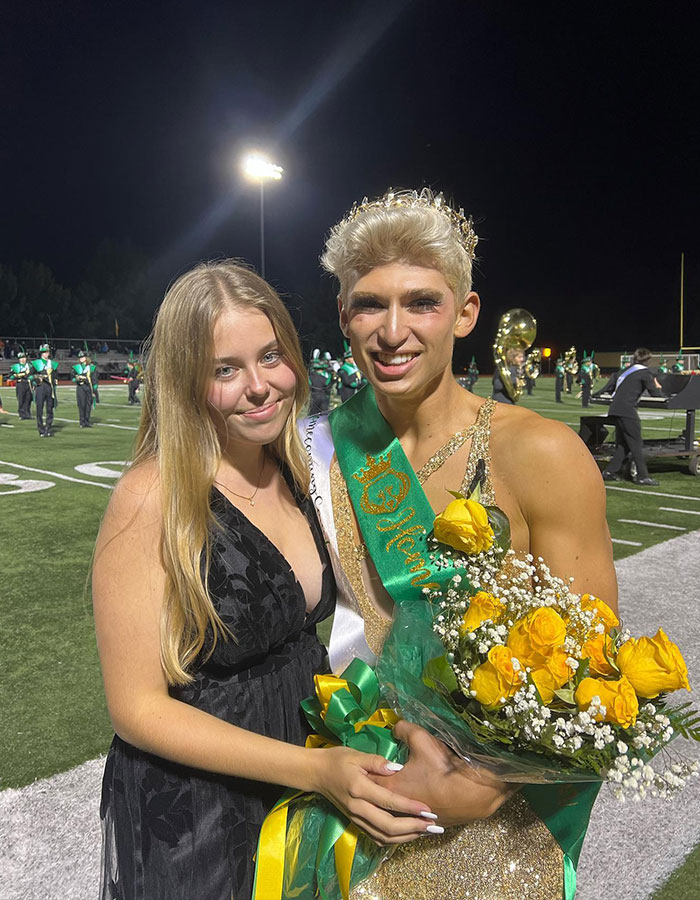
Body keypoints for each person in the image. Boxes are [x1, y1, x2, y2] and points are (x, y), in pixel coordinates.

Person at [306, 189, 617, 899]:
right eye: (368, 304)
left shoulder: (541, 453)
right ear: (343, 316)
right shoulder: (319, 449)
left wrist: (478, 783)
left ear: (466, 313)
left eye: (421, 303)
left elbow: (599, 670)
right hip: (359, 795)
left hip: (505, 826)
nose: (392, 331)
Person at [94, 261, 436, 900]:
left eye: (272, 356)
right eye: (226, 369)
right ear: (185, 381)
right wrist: (312, 768)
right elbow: (135, 708)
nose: (260, 386)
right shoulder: (152, 496)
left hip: (302, 775)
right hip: (201, 806)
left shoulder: (295, 465)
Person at [596, 347, 664, 486]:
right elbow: (655, 394)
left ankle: (610, 471)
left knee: (623, 444)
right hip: (627, 410)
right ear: (648, 361)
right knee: (636, 443)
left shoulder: (624, 371)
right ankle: (642, 476)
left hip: (615, 409)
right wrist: (659, 388)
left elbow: (609, 387)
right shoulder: (645, 373)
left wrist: (595, 394)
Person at [31, 343, 58, 437]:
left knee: (50, 409)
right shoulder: (36, 363)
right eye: (44, 352)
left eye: (47, 352)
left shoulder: (52, 363)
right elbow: (30, 376)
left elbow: (55, 375)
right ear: (41, 353)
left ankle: (49, 428)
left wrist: (55, 381)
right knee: (39, 409)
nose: (46, 354)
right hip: (40, 387)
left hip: (49, 388)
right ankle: (41, 429)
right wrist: (36, 379)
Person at [72, 350, 95, 427]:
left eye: (83, 357)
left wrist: (94, 389)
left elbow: (94, 378)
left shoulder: (91, 367)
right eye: (80, 357)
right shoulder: (76, 367)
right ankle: (82, 422)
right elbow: (72, 378)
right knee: (82, 405)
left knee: (88, 405)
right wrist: (77, 379)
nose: (81, 359)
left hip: (88, 387)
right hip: (81, 387)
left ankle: (87, 421)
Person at [10, 349, 33, 419]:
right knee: (21, 399)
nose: (23, 359)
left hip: (28, 384)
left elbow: (32, 374)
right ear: (19, 359)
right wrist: (18, 375)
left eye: (24, 358)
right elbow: (11, 376)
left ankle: (28, 413)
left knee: (28, 399)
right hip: (20, 384)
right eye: (21, 358)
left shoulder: (29, 365)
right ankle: (22, 414)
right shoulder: (15, 366)